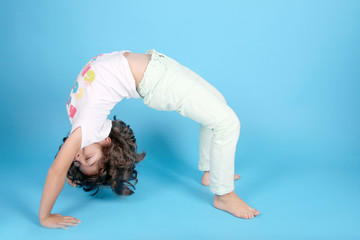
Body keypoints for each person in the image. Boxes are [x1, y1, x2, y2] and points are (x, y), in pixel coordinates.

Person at [38, 49, 260, 229]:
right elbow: (56, 171)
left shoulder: (79, 121)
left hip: (159, 65)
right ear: (107, 142)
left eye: (79, 159)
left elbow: (59, 168)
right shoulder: (86, 129)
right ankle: (224, 194)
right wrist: (45, 217)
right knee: (227, 123)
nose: (77, 155)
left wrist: (71, 170)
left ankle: (211, 171)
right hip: (160, 82)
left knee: (217, 105)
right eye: (86, 159)